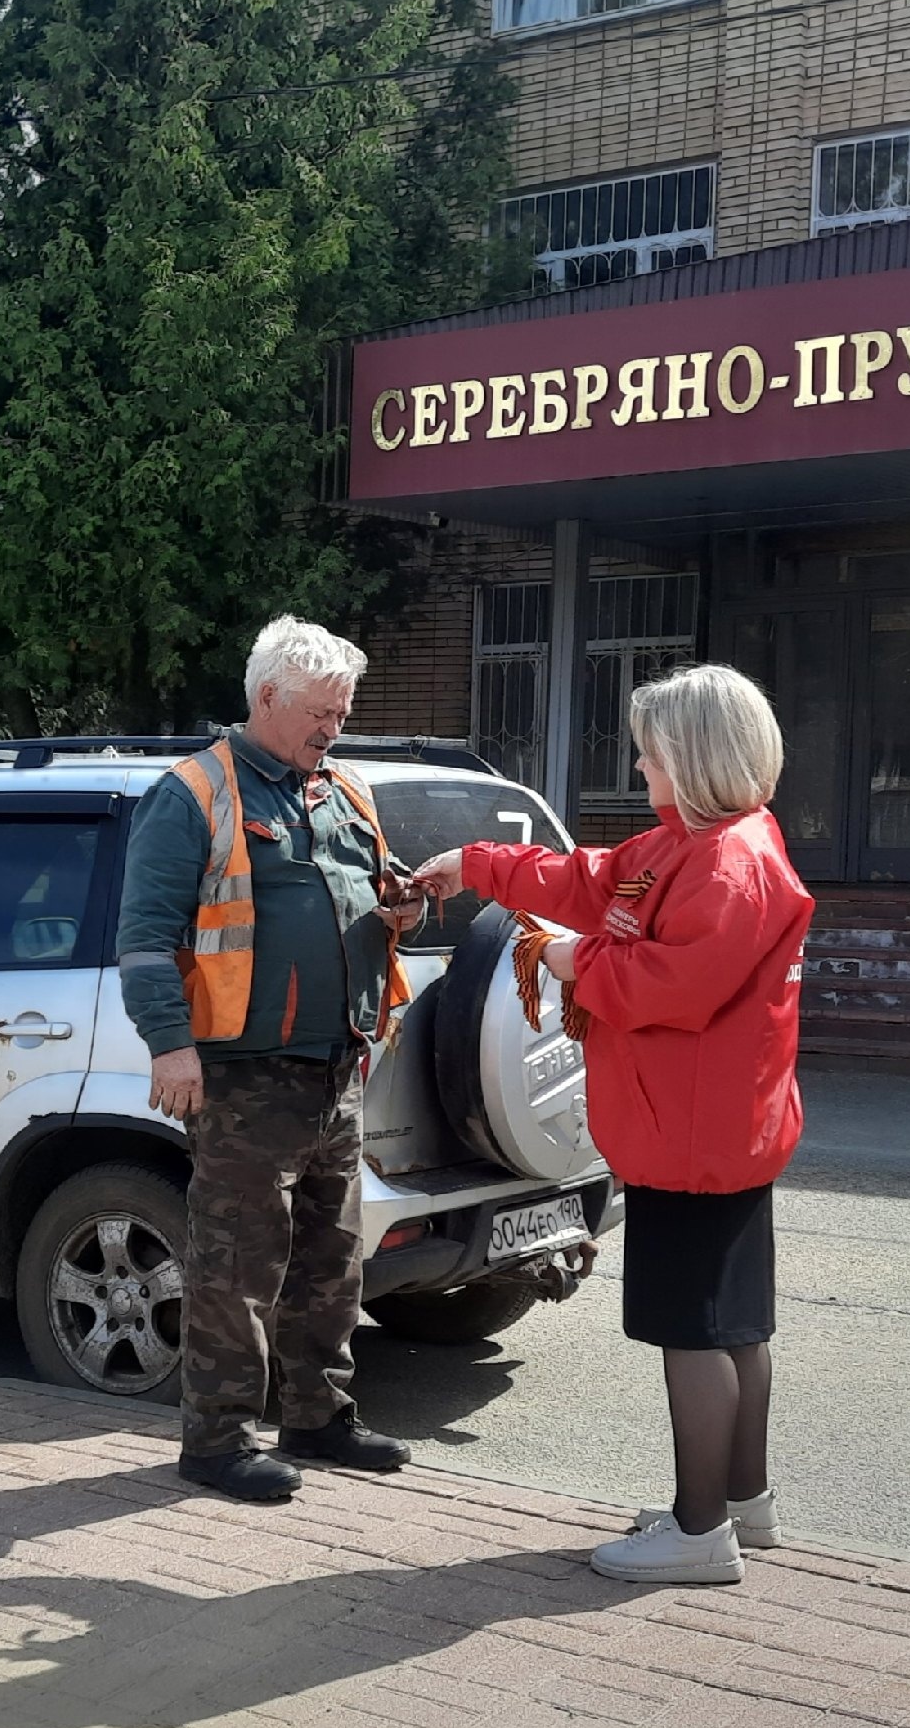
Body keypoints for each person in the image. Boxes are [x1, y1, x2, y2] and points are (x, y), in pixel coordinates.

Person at [413, 664, 814, 1584]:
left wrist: (563, 959)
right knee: (734, 1324)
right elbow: (591, 878)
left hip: (690, 1137)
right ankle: (741, 1504)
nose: (638, 763)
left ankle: (697, 1528)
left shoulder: (726, 863)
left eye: (652, 750)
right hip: (715, 1131)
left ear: (697, 758)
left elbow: (666, 986)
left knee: (693, 1331)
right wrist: (475, 866)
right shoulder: (699, 844)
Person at [117, 615, 426, 1502]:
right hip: (243, 1076)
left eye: (342, 712)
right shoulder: (194, 794)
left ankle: (316, 1417)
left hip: (337, 1068)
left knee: (332, 1258)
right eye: (320, 712)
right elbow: (144, 940)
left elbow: (378, 889)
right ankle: (215, 1441)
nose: (333, 728)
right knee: (238, 1265)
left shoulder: (342, 791)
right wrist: (170, 1046)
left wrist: (401, 909)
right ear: (265, 698)